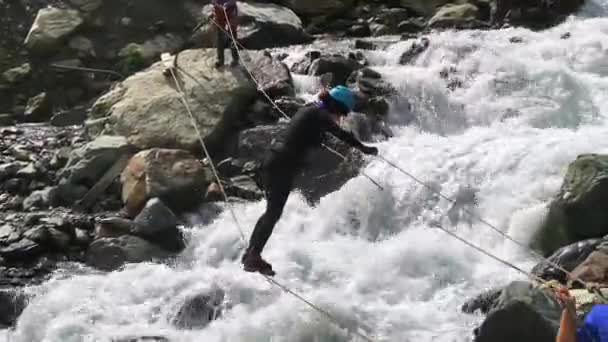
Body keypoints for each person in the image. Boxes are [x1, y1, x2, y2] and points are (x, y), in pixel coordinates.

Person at [241, 86, 379, 276]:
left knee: (272, 212)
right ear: (336, 106)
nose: (341, 117)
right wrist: (363, 148)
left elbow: (309, 136)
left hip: (276, 161)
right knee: (273, 212)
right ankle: (253, 255)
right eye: (342, 113)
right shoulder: (320, 113)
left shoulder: (311, 110)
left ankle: (251, 253)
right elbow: (340, 133)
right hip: (281, 164)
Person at [209, 0, 239, 68]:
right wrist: (213, 13)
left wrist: (226, 5)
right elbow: (214, 3)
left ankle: (235, 59)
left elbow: (233, 2)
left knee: (232, 38)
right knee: (220, 39)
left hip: (231, 13)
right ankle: (220, 60)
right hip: (220, 15)